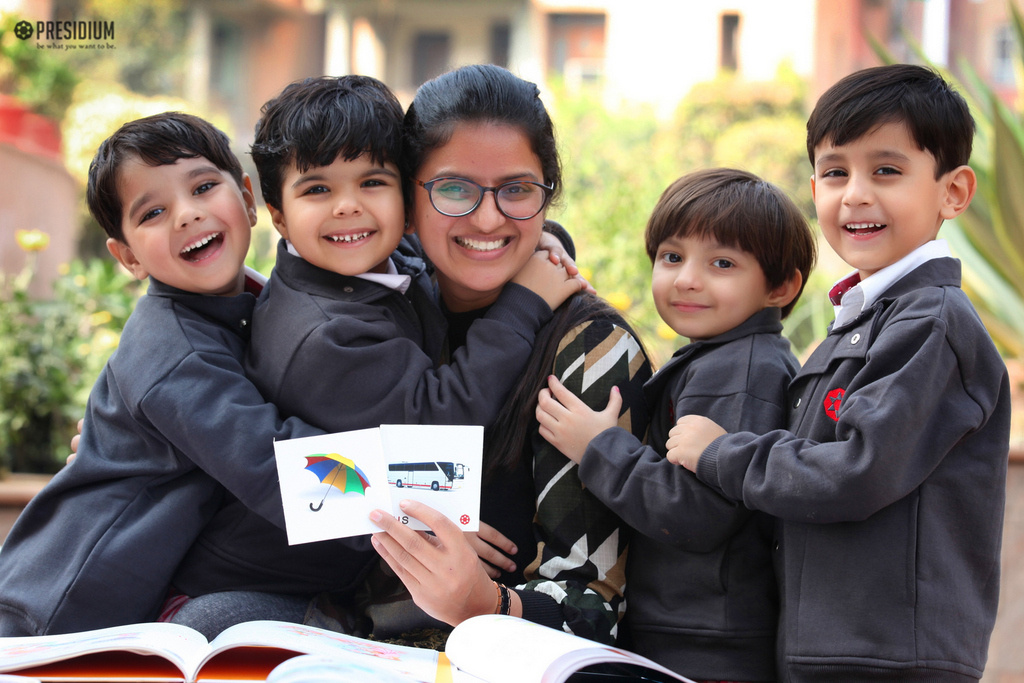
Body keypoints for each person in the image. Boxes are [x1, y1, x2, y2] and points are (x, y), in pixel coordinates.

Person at [165, 74, 580, 638]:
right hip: (267, 585)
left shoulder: (373, 261)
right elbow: (441, 419)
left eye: (373, 182)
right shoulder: (324, 334)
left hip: (341, 567)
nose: (348, 209)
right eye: (316, 190)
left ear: (407, 199)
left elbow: (478, 229)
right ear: (278, 215)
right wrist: (525, 302)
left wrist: (539, 238)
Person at [668, 64, 1010, 682]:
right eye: (835, 172)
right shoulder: (866, 319)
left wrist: (722, 454)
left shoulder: (930, 324)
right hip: (836, 648)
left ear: (953, 192)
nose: (855, 193)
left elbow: (856, 469)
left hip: (886, 659)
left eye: (886, 170)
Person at [0, 113, 336, 636]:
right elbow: (282, 470)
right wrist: (420, 506)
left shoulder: (255, 302)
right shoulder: (172, 351)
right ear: (128, 256)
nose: (187, 214)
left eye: (203, 186)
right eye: (153, 211)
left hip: (142, 590)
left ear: (247, 199)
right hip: (59, 613)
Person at [367, 64, 653, 645]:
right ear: (405, 194)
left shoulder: (588, 350)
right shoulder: (373, 315)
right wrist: (405, 517)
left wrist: (483, 600)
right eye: (454, 188)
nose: (489, 217)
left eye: (518, 190)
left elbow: (593, 605)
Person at [535, 168, 817, 681]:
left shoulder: (739, 370)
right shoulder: (723, 356)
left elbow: (697, 512)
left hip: (705, 645)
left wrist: (599, 447)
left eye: (722, 263)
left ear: (780, 286)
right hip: (698, 633)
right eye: (672, 257)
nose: (687, 278)